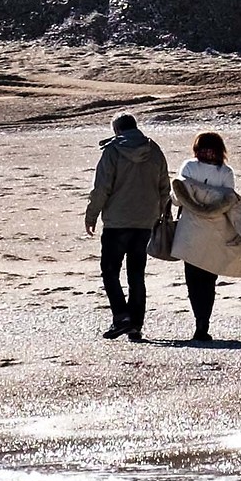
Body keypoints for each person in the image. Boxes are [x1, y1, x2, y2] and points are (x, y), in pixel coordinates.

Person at [169, 131, 241, 343]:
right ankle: (204, 321)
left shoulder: (189, 167)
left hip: (191, 233)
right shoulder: (226, 172)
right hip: (217, 233)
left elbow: (177, 200)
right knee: (209, 281)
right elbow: (229, 204)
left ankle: (199, 321)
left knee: (193, 281)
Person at [84, 112, 169, 342]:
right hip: (145, 223)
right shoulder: (154, 150)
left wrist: (91, 215)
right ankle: (135, 325)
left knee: (110, 272)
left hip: (117, 223)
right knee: (136, 275)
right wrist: (158, 214)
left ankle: (121, 317)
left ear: (117, 130)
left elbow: (102, 188)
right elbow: (164, 187)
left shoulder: (112, 151)